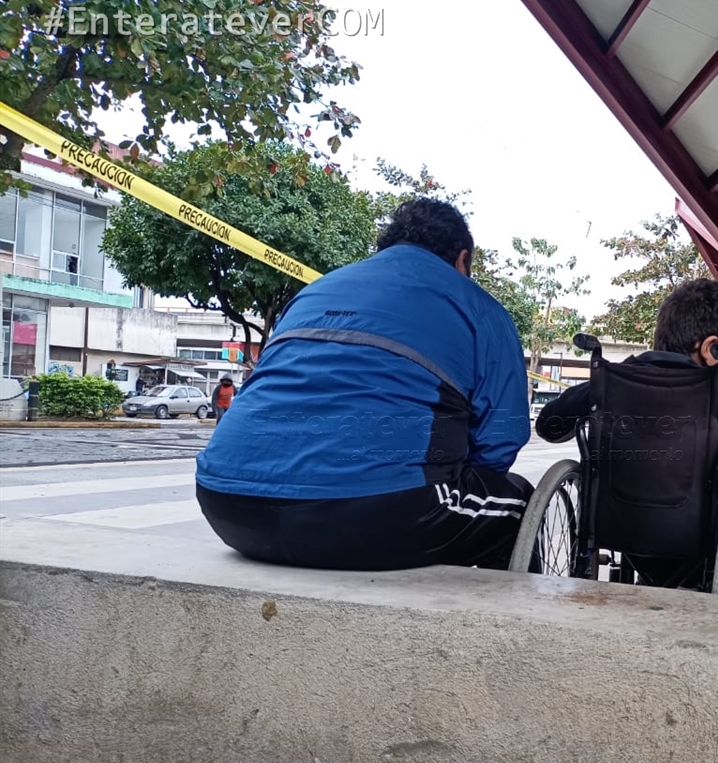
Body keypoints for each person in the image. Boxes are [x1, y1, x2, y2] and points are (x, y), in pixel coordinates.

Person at [195, 198, 532, 571]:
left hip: (226, 505)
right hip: (372, 517)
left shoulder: (314, 291)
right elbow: (501, 439)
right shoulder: (480, 308)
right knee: (520, 506)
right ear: (462, 259)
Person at [536, 278, 718, 587]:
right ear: (710, 349)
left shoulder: (609, 382)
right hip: (694, 542)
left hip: (614, 528)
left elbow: (549, 426)